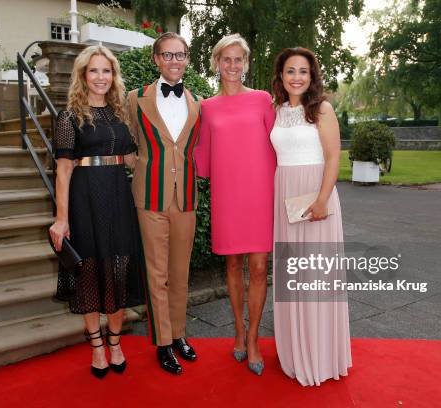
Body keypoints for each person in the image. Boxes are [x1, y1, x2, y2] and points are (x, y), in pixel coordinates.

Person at [49, 45, 145, 379]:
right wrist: (62, 218)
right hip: (84, 198)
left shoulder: (121, 114)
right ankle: (96, 348)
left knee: (118, 271)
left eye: (106, 71)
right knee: (89, 274)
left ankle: (116, 343)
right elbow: (62, 171)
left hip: (118, 197)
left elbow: (134, 158)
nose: (101, 77)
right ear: (83, 75)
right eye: (94, 71)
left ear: (113, 75)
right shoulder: (69, 117)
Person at [195, 34, 276, 376]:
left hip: (261, 193)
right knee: (232, 268)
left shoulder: (262, 100)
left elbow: (279, 145)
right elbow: (202, 161)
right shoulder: (206, 107)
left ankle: (255, 338)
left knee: (259, 269)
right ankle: (238, 333)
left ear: (246, 63)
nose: (232, 65)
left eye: (238, 59)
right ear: (216, 63)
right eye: (225, 59)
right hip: (228, 196)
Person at [270, 47, 352, 386]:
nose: (297, 77)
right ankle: (295, 350)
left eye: (303, 71)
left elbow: (333, 158)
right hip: (285, 196)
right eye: (291, 71)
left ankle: (321, 356)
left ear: (312, 76)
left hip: (317, 195)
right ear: (281, 76)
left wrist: (321, 200)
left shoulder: (322, 109)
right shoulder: (276, 111)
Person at [127, 32, 202, 375]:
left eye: (181, 55)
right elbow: (127, 144)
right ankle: (162, 342)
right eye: (168, 55)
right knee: (156, 274)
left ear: (187, 59)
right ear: (156, 59)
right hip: (151, 196)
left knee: (179, 273)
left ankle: (179, 334)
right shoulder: (135, 99)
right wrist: (142, 167)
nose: (175, 61)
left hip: (185, 196)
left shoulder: (198, 102)